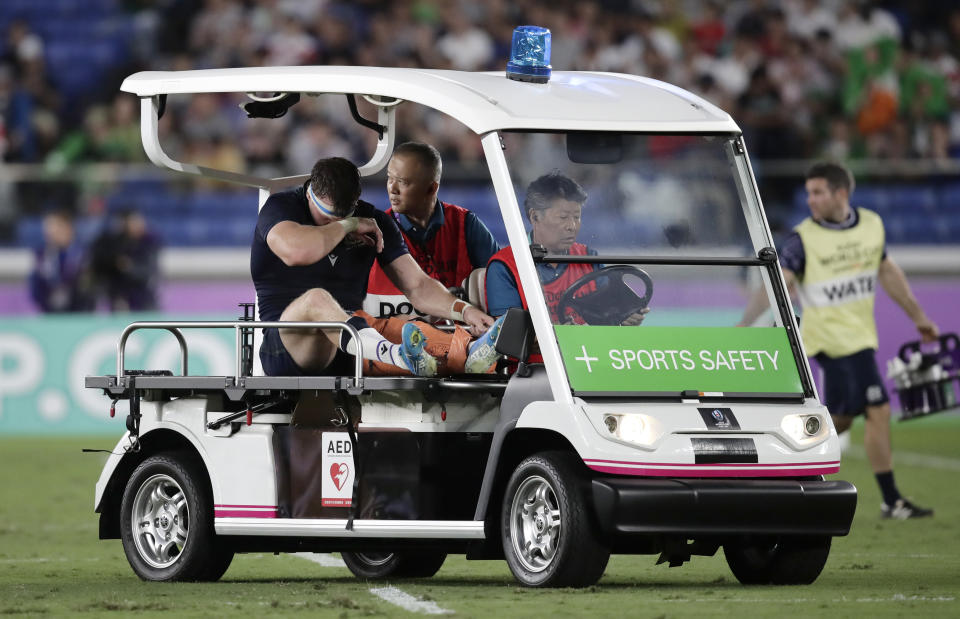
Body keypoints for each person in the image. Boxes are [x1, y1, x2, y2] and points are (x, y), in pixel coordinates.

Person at [738, 162, 938, 519]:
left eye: (818, 192)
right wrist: (745, 325)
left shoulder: (872, 225)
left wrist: (919, 316)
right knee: (877, 409)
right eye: (808, 192)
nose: (810, 199)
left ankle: (772, 458)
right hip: (828, 340)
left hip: (861, 337)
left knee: (840, 419)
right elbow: (778, 285)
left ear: (841, 193)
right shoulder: (802, 239)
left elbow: (888, 272)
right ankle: (891, 500)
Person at [251, 156, 500, 378]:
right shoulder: (281, 208)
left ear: (355, 202)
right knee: (317, 300)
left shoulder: (375, 221)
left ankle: (469, 354)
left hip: (352, 341)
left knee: (401, 327)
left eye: (344, 216)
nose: (334, 224)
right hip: (287, 345)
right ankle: (396, 356)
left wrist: (465, 311)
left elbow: (418, 285)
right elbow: (297, 252)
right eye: (327, 217)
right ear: (309, 194)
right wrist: (347, 226)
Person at [484, 171, 648, 326]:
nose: (572, 226)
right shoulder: (504, 266)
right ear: (535, 216)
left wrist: (623, 318)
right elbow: (507, 332)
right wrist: (561, 331)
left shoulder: (589, 258)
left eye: (576, 217)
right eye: (563, 217)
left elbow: (609, 317)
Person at [363, 141, 500, 320]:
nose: (392, 189)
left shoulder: (465, 223)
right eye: (390, 178)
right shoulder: (374, 231)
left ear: (431, 188)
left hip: (459, 337)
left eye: (403, 182)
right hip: (392, 340)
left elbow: (503, 277)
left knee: (483, 278)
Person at [90, 209, 160, 312]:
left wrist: (129, 267)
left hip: (143, 298)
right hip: (119, 297)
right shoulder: (115, 242)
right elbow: (103, 264)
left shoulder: (149, 243)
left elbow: (148, 270)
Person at [28, 209, 95, 313]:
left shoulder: (83, 254)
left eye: (54, 227)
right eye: (47, 229)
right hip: (50, 314)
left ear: (67, 227)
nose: (49, 232)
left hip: (79, 314)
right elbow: (37, 285)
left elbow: (88, 288)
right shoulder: (42, 254)